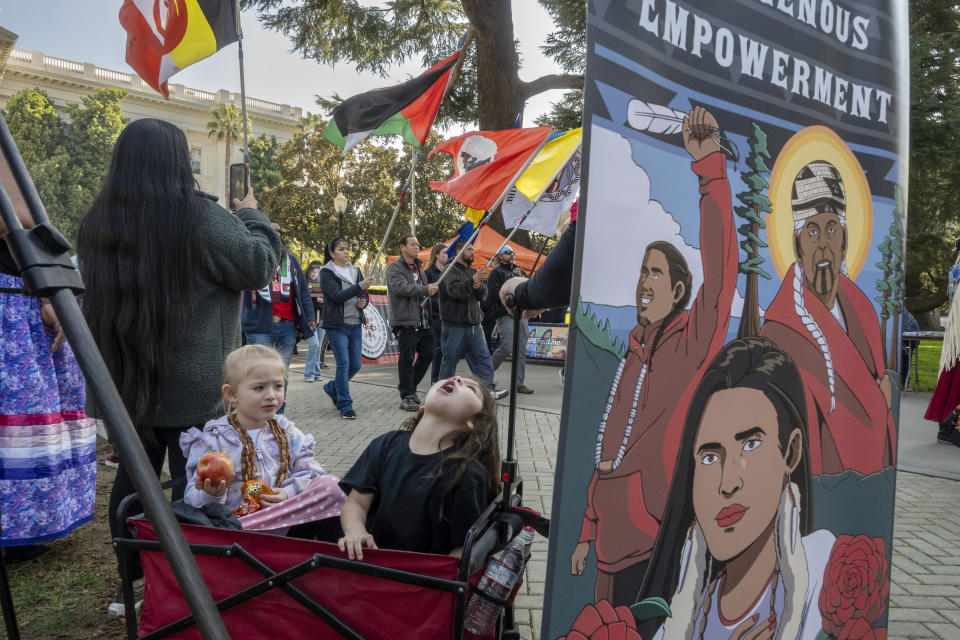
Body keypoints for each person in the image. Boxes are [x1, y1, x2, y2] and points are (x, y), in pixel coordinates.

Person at [75, 118, 283, 615]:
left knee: (135, 484)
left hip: (123, 381)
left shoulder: (98, 220)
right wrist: (253, 215)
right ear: (176, 162)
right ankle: (194, 582)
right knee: (206, 482)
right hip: (193, 385)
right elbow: (258, 265)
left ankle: (136, 586)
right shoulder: (200, 217)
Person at [570, 107, 738, 606]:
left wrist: (710, 171)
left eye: (656, 273)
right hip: (607, 547)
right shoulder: (633, 352)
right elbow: (609, 448)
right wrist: (586, 531)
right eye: (643, 271)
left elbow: (723, 274)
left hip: (654, 545)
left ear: (680, 288)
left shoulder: (690, 345)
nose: (644, 282)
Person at [636, 337, 838, 640]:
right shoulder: (682, 614)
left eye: (751, 444)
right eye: (709, 457)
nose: (727, 483)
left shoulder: (825, 571)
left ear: (791, 452)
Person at [759, 160, 896, 476]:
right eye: (812, 230)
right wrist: (879, 401)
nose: (823, 244)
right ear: (797, 244)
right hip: (822, 495)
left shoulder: (862, 313)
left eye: (831, 229)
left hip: (865, 492)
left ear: (845, 240)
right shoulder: (780, 333)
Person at [180, 345, 344, 535]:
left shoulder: (288, 431)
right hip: (237, 528)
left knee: (333, 485)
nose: (271, 396)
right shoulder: (212, 439)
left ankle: (333, 555)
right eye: (259, 388)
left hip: (285, 521)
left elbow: (311, 472)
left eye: (278, 386)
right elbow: (190, 498)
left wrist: (287, 493)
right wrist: (212, 495)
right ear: (232, 394)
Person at [337, 375, 500, 558]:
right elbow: (356, 503)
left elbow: (463, 549)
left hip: (419, 579)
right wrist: (355, 531)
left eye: (471, 389)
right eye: (453, 376)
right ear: (422, 407)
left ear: (474, 423)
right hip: (370, 565)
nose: (457, 379)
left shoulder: (466, 472)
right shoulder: (385, 444)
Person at [242, 221, 316, 404]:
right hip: (259, 327)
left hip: (287, 325)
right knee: (259, 373)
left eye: (279, 232)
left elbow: (303, 292)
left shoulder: (291, 262)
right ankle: (259, 417)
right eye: (271, 232)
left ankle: (278, 418)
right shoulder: (252, 260)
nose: (276, 236)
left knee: (280, 374)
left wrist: (310, 317)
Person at [437, 240, 506, 399]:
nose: (472, 253)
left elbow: (483, 295)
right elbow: (454, 291)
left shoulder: (473, 271)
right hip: (455, 325)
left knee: (483, 359)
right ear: (459, 251)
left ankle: (487, 390)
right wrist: (472, 281)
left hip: (475, 325)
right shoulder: (449, 270)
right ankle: (443, 393)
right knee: (449, 361)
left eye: (472, 250)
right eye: (469, 249)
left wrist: (478, 286)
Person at [320, 236, 374, 420]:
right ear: (332, 253)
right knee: (343, 365)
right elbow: (336, 296)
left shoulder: (355, 270)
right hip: (337, 326)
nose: (346, 252)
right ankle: (345, 405)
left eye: (347, 248)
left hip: (355, 324)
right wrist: (359, 285)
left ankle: (332, 388)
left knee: (356, 365)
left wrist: (363, 303)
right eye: (342, 249)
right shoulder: (326, 272)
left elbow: (363, 295)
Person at [386, 235, 439, 411]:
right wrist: (425, 289)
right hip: (405, 320)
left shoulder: (419, 267)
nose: (417, 247)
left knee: (428, 354)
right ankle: (407, 396)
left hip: (423, 320)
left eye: (418, 243)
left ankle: (410, 387)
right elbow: (400, 288)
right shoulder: (395, 267)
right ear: (403, 248)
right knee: (407, 358)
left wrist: (429, 290)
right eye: (413, 244)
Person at [488, 245, 534, 394]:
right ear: (501, 255)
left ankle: (519, 383)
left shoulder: (520, 272)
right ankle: (484, 374)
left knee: (521, 350)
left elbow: (529, 289)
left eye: (512, 252)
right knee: (507, 347)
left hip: (521, 314)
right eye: (507, 252)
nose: (511, 254)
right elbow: (494, 293)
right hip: (505, 314)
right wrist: (511, 295)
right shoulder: (496, 272)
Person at [424, 244, 449, 384]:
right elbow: (426, 297)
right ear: (437, 255)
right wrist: (442, 305)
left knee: (448, 349)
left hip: (449, 317)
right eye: (444, 253)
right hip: (435, 317)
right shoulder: (428, 273)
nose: (447, 255)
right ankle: (435, 380)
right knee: (438, 348)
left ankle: (445, 378)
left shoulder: (450, 271)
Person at [303, 260, 329, 382]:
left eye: (317, 271)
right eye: (313, 271)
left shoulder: (324, 284)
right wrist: (315, 301)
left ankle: (317, 373)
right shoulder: (304, 284)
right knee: (314, 344)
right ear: (309, 271)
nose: (315, 274)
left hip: (322, 318)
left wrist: (323, 302)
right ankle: (309, 373)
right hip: (310, 319)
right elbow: (304, 302)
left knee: (318, 347)